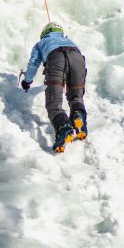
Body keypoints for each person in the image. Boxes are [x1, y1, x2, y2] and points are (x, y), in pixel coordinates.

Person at [21, 22, 88, 153]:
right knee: (76, 96)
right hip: (77, 57)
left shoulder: (41, 43)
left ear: (44, 33)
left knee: (54, 103)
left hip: (56, 57)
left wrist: (27, 81)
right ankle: (78, 116)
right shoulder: (68, 40)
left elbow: (33, 63)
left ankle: (64, 128)